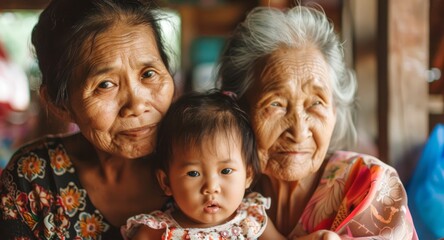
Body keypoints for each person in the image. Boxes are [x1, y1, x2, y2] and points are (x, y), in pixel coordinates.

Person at [216, 5, 418, 239]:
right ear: (237, 109)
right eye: (276, 104)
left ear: (335, 109)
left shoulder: (369, 183)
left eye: (316, 103)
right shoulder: (215, 188)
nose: (299, 131)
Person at [0, 0, 175, 238]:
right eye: (105, 85)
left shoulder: (215, 162)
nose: (136, 104)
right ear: (59, 104)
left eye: (149, 73)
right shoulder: (34, 177)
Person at [121, 90, 286, 240]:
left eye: (226, 170)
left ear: (248, 175)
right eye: (193, 173)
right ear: (166, 182)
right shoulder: (157, 231)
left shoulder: (252, 220)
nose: (211, 187)